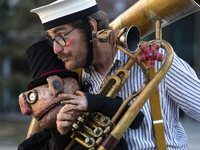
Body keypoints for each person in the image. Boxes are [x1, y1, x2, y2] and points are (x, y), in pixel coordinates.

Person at [30, 0, 200, 150]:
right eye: (52, 39)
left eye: (61, 36)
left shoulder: (156, 59)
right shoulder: (77, 78)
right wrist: (63, 132)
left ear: (91, 27)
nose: (56, 49)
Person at [18, 40, 144, 150]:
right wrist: (61, 134)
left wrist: (92, 102)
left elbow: (136, 118)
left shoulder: (96, 101)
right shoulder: (49, 133)